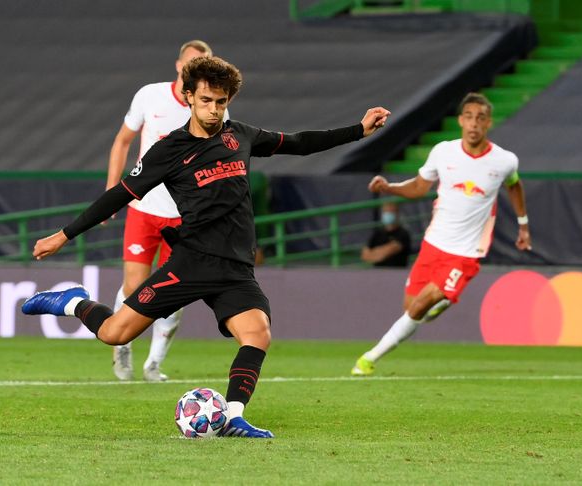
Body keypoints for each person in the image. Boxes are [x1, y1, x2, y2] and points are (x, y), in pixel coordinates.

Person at [22, 56, 390, 437]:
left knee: (257, 333)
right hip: (191, 263)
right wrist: (63, 235)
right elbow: (119, 195)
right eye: (206, 101)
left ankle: (232, 416)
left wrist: (358, 130)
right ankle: (72, 301)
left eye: (221, 102)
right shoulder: (168, 150)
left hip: (234, 268)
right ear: (189, 97)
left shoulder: (240, 136)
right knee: (116, 333)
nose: (214, 110)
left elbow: (297, 143)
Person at [351, 92, 531, 376]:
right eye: (469, 117)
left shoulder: (504, 160)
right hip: (434, 244)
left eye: (480, 118)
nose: (474, 123)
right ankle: (445, 299)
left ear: (488, 123)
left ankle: (369, 358)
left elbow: (515, 185)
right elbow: (420, 188)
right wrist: (389, 187)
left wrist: (523, 224)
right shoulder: (443, 152)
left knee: (421, 305)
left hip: (467, 253)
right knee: (412, 307)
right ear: (460, 120)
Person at [106, 40, 220, 382]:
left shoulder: (213, 107)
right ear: (178, 66)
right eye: (192, 63)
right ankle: (121, 345)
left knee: (173, 291)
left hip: (186, 216)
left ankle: (154, 363)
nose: (197, 69)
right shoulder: (149, 96)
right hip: (145, 208)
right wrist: (114, 190)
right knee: (134, 285)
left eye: (204, 63)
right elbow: (123, 140)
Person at [360, 201, 411, 267]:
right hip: (377, 273)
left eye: (390, 212)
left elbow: (386, 253)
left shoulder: (403, 234)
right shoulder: (377, 234)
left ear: (397, 214)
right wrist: (379, 252)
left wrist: (374, 253)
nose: (387, 214)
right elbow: (365, 256)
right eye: (385, 212)